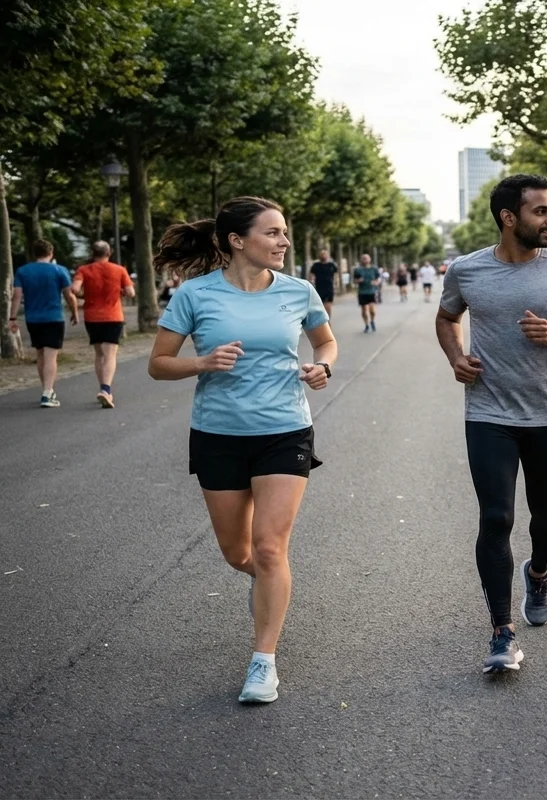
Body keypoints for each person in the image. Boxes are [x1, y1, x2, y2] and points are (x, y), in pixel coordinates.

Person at [148, 196, 336, 704]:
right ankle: (275, 585)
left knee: (270, 548)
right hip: (219, 435)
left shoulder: (298, 291)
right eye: (272, 233)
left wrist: (323, 366)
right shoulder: (195, 294)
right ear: (237, 241)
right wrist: (202, 363)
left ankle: (263, 661)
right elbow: (158, 364)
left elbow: (325, 342)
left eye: (284, 232)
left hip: (284, 430)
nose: (284, 241)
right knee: (239, 554)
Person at [435, 173, 547, 674]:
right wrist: (456, 357)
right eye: (541, 211)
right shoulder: (466, 270)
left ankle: (539, 572)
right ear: (509, 218)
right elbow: (446, 318)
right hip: (488, 413)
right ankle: (501, 633)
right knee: (496, 518)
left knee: (546, 515)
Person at [8, 239, 77, 408]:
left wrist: (13, 318)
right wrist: (74, 312)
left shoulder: (23, 271)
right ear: (51, 253)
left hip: (33, 318)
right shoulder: (59, 270)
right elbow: (69, 295)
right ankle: (47, 392)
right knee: (51, 355)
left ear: (34, 254)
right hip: (54, 317)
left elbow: (16, 296)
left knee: (40, 353)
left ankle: (46, 389)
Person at [72, 241, 135, 408]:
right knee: (110, 355)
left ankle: (103, 388)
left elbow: (75, 289)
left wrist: (86, 295)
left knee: (99, 354)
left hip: (92, 317)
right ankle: (106, 390)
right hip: (113, 315)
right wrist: (120, 292)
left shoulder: (83, 270)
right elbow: (131, 292)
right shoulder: (119, 270)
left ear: (92, 253)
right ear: (109, 253)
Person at [352, 253, 380, 332]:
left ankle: (372, 321)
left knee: (372, 310)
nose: (365, 260)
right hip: (362, 292)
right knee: (364, 310)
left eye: (366, 258)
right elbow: (354, 281)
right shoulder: (358, 270)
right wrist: (358, 281)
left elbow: (378, 278)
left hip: (372, 291)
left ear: (370, 259)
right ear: (361, 260)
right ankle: (366, 324)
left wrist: (376, 282)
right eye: (363, 258)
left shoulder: (374, 268)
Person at [308, 249, 339, 318]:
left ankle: (328, 319)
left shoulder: (331, 265)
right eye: (322, 255)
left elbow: (336, 275)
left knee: (328, 304)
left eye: (325, 254)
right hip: (319, 287)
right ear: (319, 256)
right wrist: (311, 281)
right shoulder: (316, 265)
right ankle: (323, 318)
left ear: (328, 256)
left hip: (329, 287)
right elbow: (311, 274)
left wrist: (336, 283)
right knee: (320, 304)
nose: (323, 256)